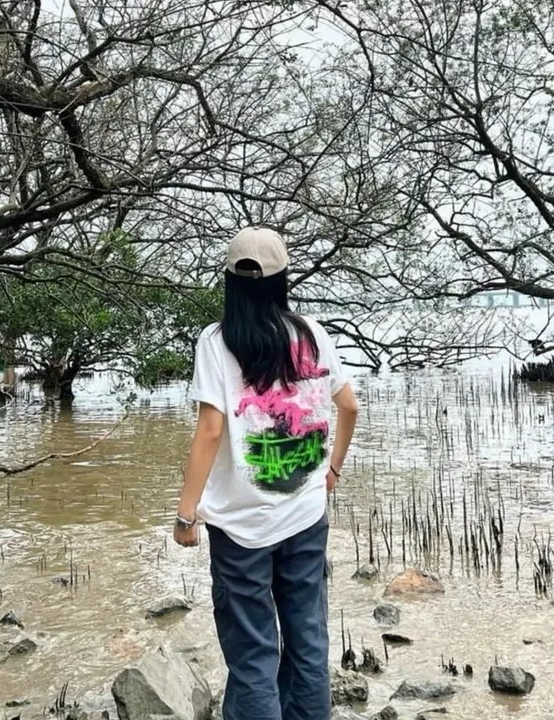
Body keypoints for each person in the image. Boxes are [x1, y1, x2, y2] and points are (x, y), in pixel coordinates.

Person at [173, 226, 359, 720]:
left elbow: (210, 430)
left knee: (253, 652)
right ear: (282, 279)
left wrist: (186, 514)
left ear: (230, 283)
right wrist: (332, 467)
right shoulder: (312, 333)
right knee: (308, 640)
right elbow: (350, 406)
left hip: (241, 528)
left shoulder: (216, 341)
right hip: (306, 514)